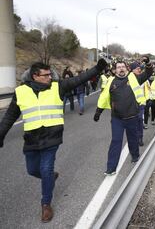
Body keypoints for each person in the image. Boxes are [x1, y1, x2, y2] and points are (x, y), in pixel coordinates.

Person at [0, 59, 107, 223]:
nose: (50, 77)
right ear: (35, 76)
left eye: (50, 74)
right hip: (31, 138)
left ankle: (46, 204)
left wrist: (97, 69)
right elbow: (9, 117)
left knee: (45, 168)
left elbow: (79, 79)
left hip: (52, 137)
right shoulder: (20, 91)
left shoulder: (58, 86)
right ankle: (50, 176)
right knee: (32, 170)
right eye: (46, 75)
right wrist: (1, 134)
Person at [93, 58, 153, 176]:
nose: (121, 68)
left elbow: (148, 73)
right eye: (118, 67)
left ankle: (135, 157)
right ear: (115, 70)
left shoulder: (134, 78)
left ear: (127, 69)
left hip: (132, 117)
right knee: (116, 141)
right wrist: (98, 112)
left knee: (133, 139)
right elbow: (104, 97)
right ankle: (111, 168)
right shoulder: (111, 82)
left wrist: (148, 63)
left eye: (123, 67)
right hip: (117, 119)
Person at [130, 61, 147, 145]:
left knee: (140, 120)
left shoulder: (141, 77)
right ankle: (134, 138)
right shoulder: (128, 78)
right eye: (137, 69)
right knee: (133, 122)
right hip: (131, 105)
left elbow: (148, 73)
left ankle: (140, 138)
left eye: (140, 68)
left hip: (141, 104)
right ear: (132, 70)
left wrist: (148, 64)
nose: (139, 70)